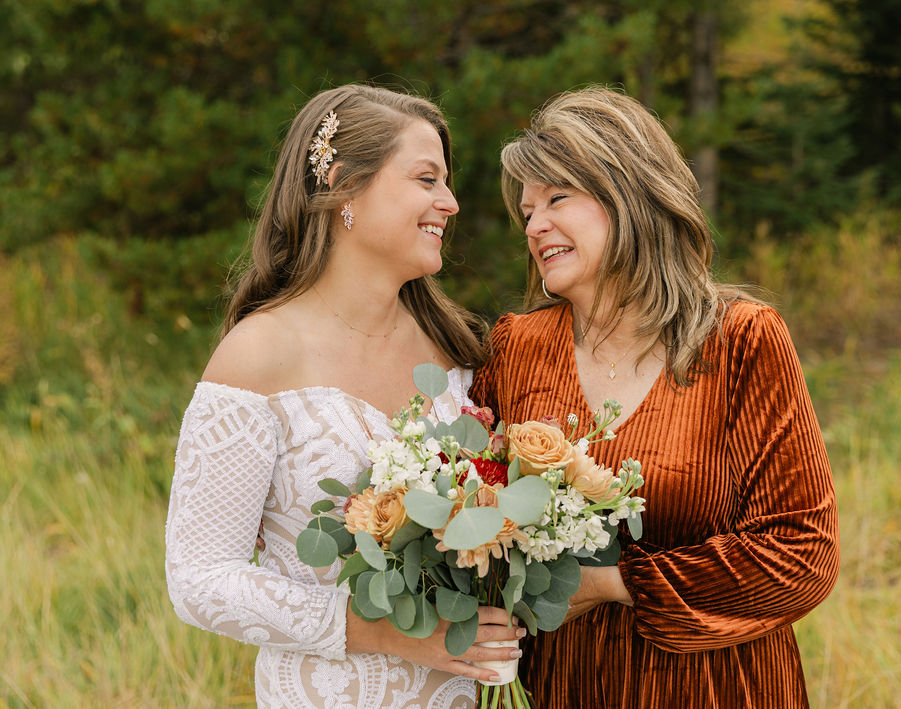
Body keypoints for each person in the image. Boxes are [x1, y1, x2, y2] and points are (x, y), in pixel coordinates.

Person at [469, 87, 839, 708]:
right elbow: (473, 524)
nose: (534, 226)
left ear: (630, 194)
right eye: (527, 211)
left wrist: (613, 583)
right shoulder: (515, 349)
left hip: (719, 689)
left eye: (557, 197)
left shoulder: (740, 339)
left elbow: (802, 555)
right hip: (565, 686)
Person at [165, 85, 524, 709]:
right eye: (426, 179)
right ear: (344, 187)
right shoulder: (260, 355)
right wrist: (385, 633)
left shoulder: (460, 351)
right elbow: (200, 579)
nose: (451, 202)